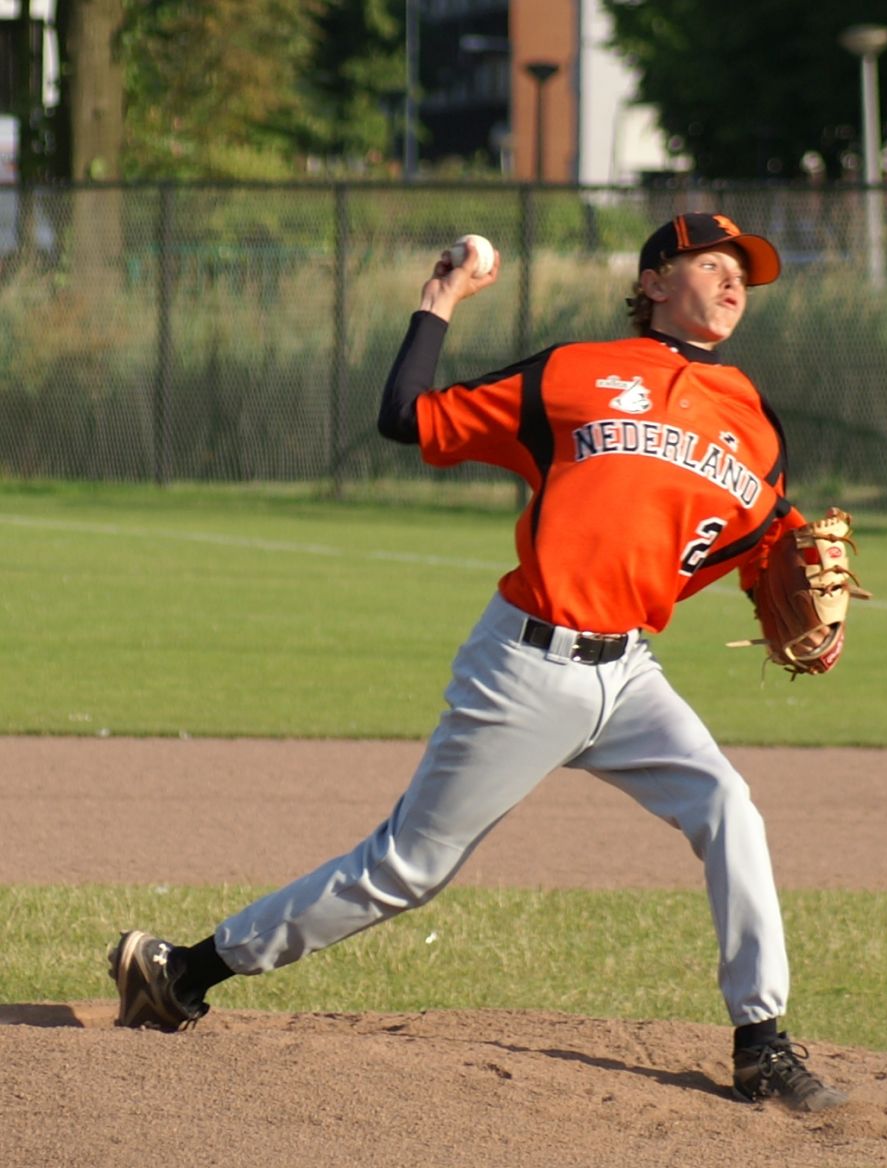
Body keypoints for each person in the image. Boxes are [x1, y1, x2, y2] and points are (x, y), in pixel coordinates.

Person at [109, 212, 848, 1113]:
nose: (733, 283)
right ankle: (180, 972)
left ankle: (759, 1044)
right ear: (654, 282)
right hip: (526, 664)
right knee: (406, 870)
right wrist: (440, 298)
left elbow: (765, 540)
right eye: (711, 263)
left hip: (629, 673)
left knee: (727, 805)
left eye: (744, 273)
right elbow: (407, 418)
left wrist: (798, 597)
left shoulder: (754, 420)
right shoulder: (574, 372)